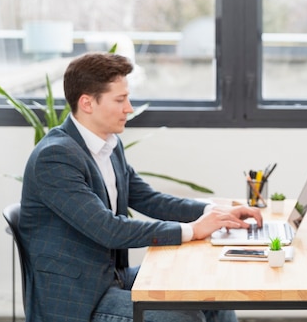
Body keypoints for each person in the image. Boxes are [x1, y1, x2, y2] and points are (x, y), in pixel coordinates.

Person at [19, 52, 263, 322]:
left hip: (113, 279)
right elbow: (108, 228)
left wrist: (216, 212)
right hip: (79, 299)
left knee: (212, 297)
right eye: (120, 100)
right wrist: (192, 230)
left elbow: (149, 199)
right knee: (184, 319)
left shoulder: (108, 145)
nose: (129, 108)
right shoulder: (55, 158)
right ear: (87, 103)